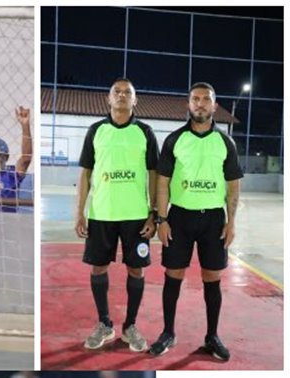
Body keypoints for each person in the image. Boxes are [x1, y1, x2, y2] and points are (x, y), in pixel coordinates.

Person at [149, 82, 242, 361]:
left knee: (212, 276)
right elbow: (162, 183)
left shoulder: (226, 142)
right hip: (179, 217)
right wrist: (162, 219)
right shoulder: (175, 140)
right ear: (188, 105)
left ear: (215, 106)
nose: (200, 104)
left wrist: (231, 222)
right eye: (195, 99)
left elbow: (233, 186)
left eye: (206, 99)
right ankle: (168, 332)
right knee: (173, 274)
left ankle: (212, 336)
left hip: (214, 219)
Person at [73, 78, 158, 352]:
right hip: (102, 214)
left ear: (136, 101)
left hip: (135, 216)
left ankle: (130, 325)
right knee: (99, 267)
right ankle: (104, 324)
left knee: (136, 268)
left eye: (128, 93)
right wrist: (80, 213)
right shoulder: (96, 130)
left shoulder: (145, 132)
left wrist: (153, 213)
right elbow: (85, 173)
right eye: (117, 92)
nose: (122, 96)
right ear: (108, 99)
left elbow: (154, 175)